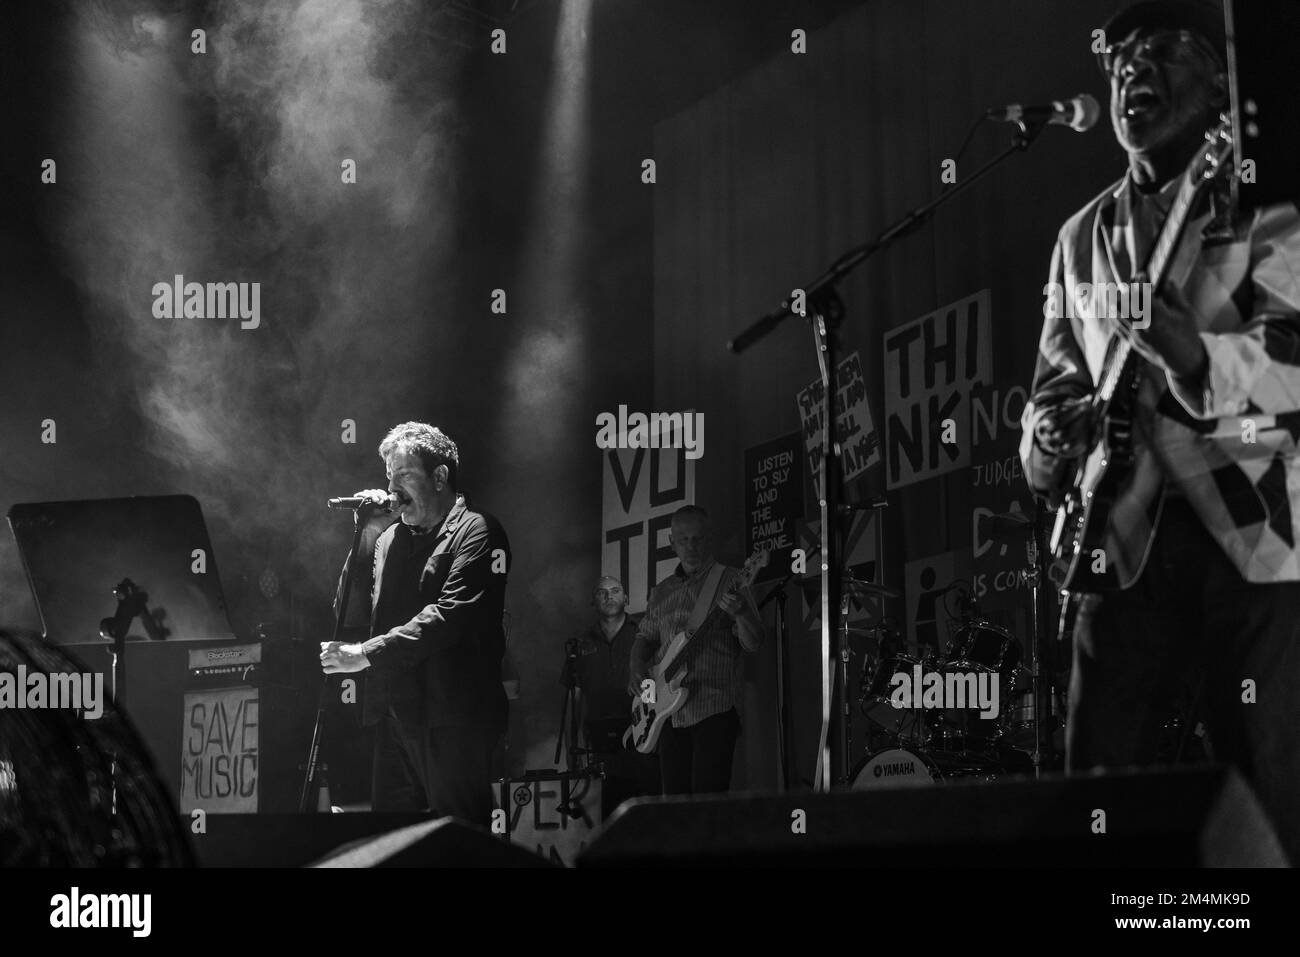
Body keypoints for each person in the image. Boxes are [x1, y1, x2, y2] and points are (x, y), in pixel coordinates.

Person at [1020, 0, 1300, 859]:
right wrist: (1045, 439)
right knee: (1098, 796)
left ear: (1221, 88)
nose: (1133, 69)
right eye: (1122, 60)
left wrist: (1192, 360)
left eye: (1165, 51)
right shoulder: (1080, 239)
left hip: (1251, 528)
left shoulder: (1266, 204)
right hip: (1121, 538)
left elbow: (1292, 370)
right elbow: (1051, 390)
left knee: (1267, 796)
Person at [321, 422, 510, 826]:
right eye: (389, 477)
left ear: (439, 476)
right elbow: (352, 613)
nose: (393, 488)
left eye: (404, 475)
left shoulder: (478, 531)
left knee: (460, 843)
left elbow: (449, 617)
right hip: (395, 715)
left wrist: (366, 655)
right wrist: (367, 531)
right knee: (397, 843)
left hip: (452, 716)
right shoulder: (389, 538)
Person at [629, 505, 763, 796]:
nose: (691, 546)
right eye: (684, 539)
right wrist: (636, 666)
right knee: (674, 808)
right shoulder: (661, 590)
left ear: (710, 538)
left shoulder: (730, 580)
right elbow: (644, 636)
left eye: (698, 538)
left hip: (713, 709)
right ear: (671, 542)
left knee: (708, 806)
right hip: (667, 716)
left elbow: (753, 643)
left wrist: (741, 614)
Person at [568, 576, 660, 816]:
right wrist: (574, 741)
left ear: (626, 598)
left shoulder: (643, 634)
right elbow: (575, 696)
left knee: (644, 802)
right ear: (593, 601)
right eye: (602, 592)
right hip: (598, 735)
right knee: (609, 807)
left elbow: (658, 677)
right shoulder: (580, 643)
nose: (609, 596)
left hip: (641, 728)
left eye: (615, 590)